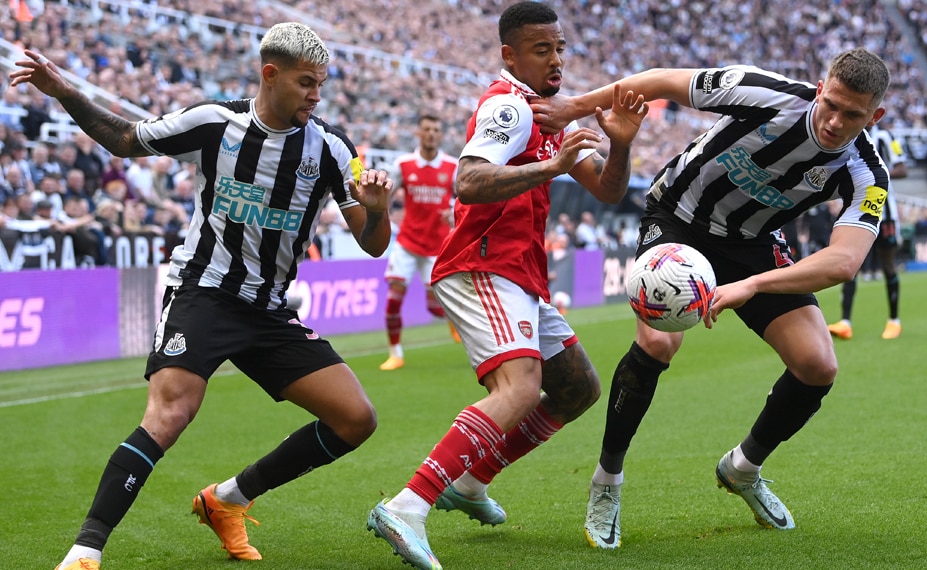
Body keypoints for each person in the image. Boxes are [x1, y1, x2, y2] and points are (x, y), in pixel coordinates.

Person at [11, 22, 396, 570]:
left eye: (322, 84)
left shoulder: (333, 149)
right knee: (170, 414)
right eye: (307, 83)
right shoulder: (215, 123)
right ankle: (85, 552)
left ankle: (227, 500)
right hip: (204, 292)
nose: (317, 95)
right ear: (271, 74)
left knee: (356, 419)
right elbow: (126, 139)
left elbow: (373, 243)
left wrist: (378, 209)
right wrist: (67, 92)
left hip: (269, 309)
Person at [532, 47, 892, 548]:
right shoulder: (765, 93)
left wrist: (750, 286)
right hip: (677, 217)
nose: (834, 121)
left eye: (852, 115)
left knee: (817, 365)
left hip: (753, 246)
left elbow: (844, 262)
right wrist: (573, 107)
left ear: (874, 116)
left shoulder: (866, 172)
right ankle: (607, 481)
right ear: (819, 88)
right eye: (829, 103)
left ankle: (743, 468)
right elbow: (658, 81)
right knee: (658, 345)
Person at [365, 3, 647, 569]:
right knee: (519, 389)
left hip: (521, 273)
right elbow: (467, 182)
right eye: (543, 50)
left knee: (577, 390)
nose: (557, 60)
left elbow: (609, 192)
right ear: (510, 55)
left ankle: (470, 484)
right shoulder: (507, 107)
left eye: (560, 48)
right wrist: (550, 168)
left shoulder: (548, 115)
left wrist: (620, 144)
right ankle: (407, 505)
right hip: (481, 265)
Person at [379, 114, 461, 371]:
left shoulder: (452, 166)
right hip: (407, 241)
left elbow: (465, 198)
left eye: (436, 130)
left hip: (437, 247)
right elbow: (385, 194)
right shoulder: (403, 164)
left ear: (441, 135)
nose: (431, 134)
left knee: (435, 308)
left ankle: (451, 320)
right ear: (418, 133)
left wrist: (454, 211)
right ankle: (396, 354)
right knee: (393, 299)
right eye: (426, 129)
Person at [828, 121, 908, 340]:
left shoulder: (885, 137)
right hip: (856, 207)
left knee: (887, 263)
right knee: (849, 261)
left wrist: (874, 170)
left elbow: (902, 168)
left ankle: (894, 321)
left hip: (884, 208)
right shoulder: (848, 134)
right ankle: (845, 322)